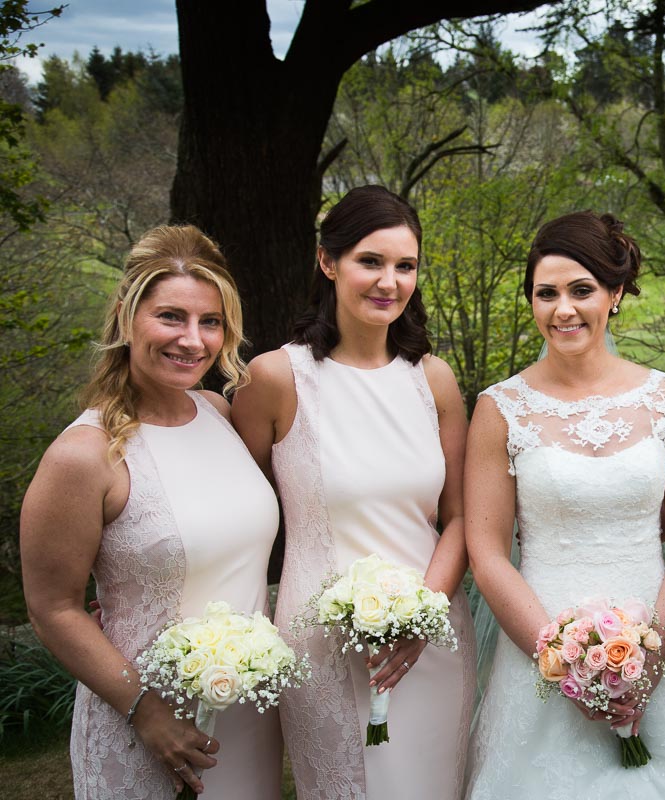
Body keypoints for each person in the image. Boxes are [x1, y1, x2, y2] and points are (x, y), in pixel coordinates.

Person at [464, 211, 665, 798]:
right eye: (546, 294)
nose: (563, 309)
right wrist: (560, 659)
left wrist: (651, 657)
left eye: (581, 290)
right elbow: (486, 554)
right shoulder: (499, 409)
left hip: (653, 638)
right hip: (538, 644)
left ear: (614, 295)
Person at [21, 225, 282, 798]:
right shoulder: (84, 455)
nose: (193, 340)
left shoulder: (217, 413)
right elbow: (52, 607)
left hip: (247, 715)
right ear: (126, 317)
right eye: (170, 317)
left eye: (210, 322)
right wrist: (147, 712)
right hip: (147, 722)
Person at [231, 185, 475, 799]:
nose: (389, 281)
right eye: (371, 261)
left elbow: (460, 517)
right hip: (320, 641)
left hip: (433, 635)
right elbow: (238, 514)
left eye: (405, 265)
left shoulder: (434, 380)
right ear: (328, 261)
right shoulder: (276, 378)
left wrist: (423, 616)